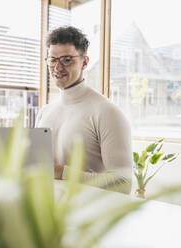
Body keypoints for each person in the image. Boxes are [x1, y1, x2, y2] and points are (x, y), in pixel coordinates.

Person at [36, 26, 132, 193]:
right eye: (52, 60)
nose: (57, 68)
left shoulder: (107, 112)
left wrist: (61, 172)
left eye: (66, 60)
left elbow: (123, 183)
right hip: (49, 214)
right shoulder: (45, 111)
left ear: (85, 62)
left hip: (88, 216)